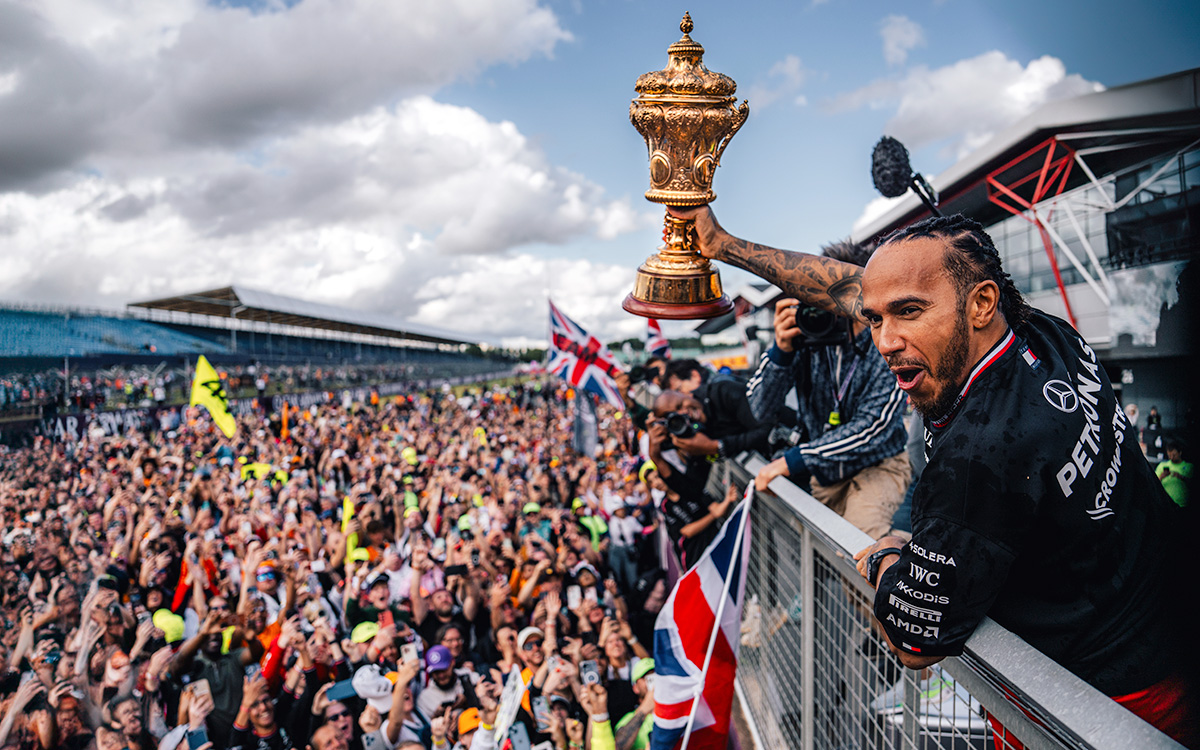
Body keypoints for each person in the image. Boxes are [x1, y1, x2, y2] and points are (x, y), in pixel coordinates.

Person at [675, 205, 1196, 747]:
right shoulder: (1042, 332)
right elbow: (844, 288)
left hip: (1105, 709)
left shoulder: (979, 457)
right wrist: (723, 244)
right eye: (875, 319)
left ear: (981, 303)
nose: (885, 341)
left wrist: (887, 556)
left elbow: (913, 643)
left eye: (908, 312)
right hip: (1167, 616)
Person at [747, 239, 910, 539]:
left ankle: (910, 566)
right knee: (825, 548)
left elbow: (875, 426)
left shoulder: (884, 341)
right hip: (826, 472)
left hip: (878, 465)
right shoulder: (805, 337)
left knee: (859, 544)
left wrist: (795, 460)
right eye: (817, 296)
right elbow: (758, 409)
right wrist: (781, 352)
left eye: (834, 297)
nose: (825, 308)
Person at [1157, 439, 1192, 507]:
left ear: (1180, 453)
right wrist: (1161, 477)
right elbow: (1153, 483)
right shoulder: (1162, 466)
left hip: (1181, 504)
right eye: (1169, 455)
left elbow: (1193, 484)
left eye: (1174, 455)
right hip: (1165, 505)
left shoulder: (1189, 467)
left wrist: (1181, 477)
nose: (1171, 458)